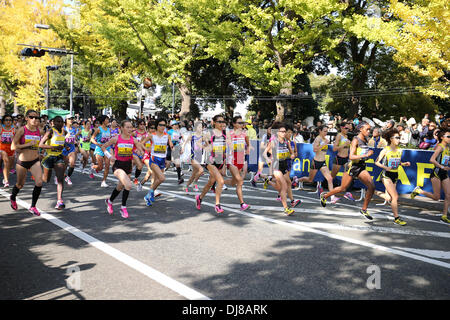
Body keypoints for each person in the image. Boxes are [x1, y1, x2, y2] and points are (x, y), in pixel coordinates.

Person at [320, 121, 376, 220]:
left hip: (361, 167)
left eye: (369, 129)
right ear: (360, 129)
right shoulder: (355, 140)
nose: (368, 131)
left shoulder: (366, 139)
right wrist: (366, 155)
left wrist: (366, 156)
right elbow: (351, 156)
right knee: (342, 188)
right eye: (367, 129)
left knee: (371, 187)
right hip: (352, 166)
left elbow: (362, 155)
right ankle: (325, 196)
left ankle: (364, 209)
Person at [102, 120, 146, 218]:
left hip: (128, 166)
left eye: (131, 127)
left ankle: (109, 201)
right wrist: (110, 156)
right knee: (128, 185)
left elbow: (139, 149)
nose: (130, 129)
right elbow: (103, 147)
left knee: (120, 186)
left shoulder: (133, 140)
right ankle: (123, 207)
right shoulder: (116, 139)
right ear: (121, 128)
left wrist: (140, 152)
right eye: (128, 127)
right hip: (118, 165)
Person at [410, 128, 450, 224]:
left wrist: (446, 165)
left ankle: (444, 216)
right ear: (442, 137)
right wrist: (441, 166)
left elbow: (445, 159)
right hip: (436, 173)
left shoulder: (448, 148)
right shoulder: (440, 147)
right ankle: (419, 191)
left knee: (448, 195)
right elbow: (432, 159)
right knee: (436, 197)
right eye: (448, 136)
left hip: (444, 173)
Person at [263, 122, 301, 215]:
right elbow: (264, 153)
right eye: (282, 131)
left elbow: (291, 153)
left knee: (283, 186)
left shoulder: (286, 142)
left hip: (284, 165)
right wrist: (269, 161)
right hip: (276, 166)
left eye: (285, 131)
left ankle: (267, 179)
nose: (284, 133)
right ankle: (286, 208)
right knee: (284, 186)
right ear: (277, 132)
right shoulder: (273, 142)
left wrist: (292, 155)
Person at [10, 110, 43, 216]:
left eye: (36, 118)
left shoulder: (39, 131)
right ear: (26, 118)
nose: (34, 119)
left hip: (35, 160)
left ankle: (33, 206)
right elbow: (13, 146)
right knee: (20, 184)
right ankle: (13, 197)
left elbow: (42, 143)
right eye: (31, 117)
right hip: (22, 161)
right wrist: (27, 145)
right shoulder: (22, 130)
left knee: (39, 182)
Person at [374, 129, 409, 226]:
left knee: (389, 198)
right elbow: (376, 162)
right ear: (391, 139)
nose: (399, 139)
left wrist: (403, 164)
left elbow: (397, 163)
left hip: (395, 174)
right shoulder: (386, 149)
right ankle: (396, 218)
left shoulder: (400, 150)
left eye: (399, 137)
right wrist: (385, 167)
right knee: (395, 197)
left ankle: (373, 191)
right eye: (397, 138)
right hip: (386, 175)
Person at [195, 115, 228, 213]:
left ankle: (199, 198)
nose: (221, 123)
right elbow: (198, 143)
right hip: (211, 161)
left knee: (210, 183)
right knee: (221, 182)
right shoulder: (210, 133)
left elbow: (225, 151)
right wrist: (207, 147)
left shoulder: (225, 134)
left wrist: (224, 165)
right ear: (213, 122)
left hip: (220, 161)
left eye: (223, 121)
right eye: (219, 121)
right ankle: (217, 205)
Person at [299, 125, 338, 203]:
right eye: (324, 131)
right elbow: (314, 149)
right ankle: (297, 180)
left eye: (327, 131)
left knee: (330, 179)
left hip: (323, 162)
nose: (326, 133)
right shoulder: (318, 139)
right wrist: (323, 144)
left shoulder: (325, 139)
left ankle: (332, 197)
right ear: (320, 131)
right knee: (310, 180)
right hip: (316, 162)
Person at [143, 118, 173, 207]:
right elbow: (141, 143)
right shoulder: (152, 135)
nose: (162, 127)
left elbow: (171, 146)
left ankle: (150, 194)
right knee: (162, 178)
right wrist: (146, 149)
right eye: (160, 125)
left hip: (162, 160)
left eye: (164, 125)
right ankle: (148, 195)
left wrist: (174, 149)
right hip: (154, 159)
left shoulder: (167, 136)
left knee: (157, 180)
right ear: (157, 126)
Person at [39, 116, 67, 210]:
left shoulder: (64, 132)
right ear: (53, 123)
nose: (60, 123)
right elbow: (41, 144)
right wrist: (54, 147)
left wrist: (65, 146)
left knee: (60, 178)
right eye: (58, 122)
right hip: (49, 157)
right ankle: (38, 174)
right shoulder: (50, 131)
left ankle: (59, 200)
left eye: (61, 122)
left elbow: (62, 141)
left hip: (58, 157)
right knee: (46, 180)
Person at [223, 116, 250, 210]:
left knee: (233, 182)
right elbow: (228, 146)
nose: (241, 124)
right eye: (239, 123)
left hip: (240, 160)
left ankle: (218, 182)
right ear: (234, 124)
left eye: (242, 123)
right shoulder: (229, 133)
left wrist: (248, 149)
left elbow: (248, 144)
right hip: (232, 161)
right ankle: (242, 204)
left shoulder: (244, 133)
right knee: (240, 181)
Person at [330, 122, 355, 201]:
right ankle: (331, 195)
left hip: (346, 159)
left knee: (350, 173)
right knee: (332, 177)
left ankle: (347, 192)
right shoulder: (339, 136)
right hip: (339, 158)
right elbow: (334, 148)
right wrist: (344, 145)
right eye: (346, 128)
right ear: (341, 128)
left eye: (348, 128)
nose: (348, 130)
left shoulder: (346, 136)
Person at [182, 121, 205, 192]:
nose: (200, 128)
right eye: (199, 127)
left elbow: (206, 145)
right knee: (201, 170)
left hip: (199, 156)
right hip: (193, 156)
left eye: (202, 127)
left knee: (193, 174)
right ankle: (195, 183)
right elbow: (185, 142)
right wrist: (183, 148)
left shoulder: (203, 136)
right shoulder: (192, 135)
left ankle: (186, 186)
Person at [90, 115, 112, 187]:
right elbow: (92, 139)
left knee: (107, 166)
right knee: (100, 167)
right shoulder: (98, 129)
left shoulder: (109, 129)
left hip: (107, 149)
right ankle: (93, 166)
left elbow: (110, 139)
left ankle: (103, 181)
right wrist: (97, 144)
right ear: (103, 121)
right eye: (107, 119)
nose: (108, 121)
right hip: (99, 149)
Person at [63, 116, 80, 186]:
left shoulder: (74, 129)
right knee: (64, 165)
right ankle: (60, 176)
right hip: (64, 149)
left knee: (72, 163)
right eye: (69, 119)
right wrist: (65, 137)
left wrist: (76, 141)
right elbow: (58, 139)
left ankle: (68, 177)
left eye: (72, 119)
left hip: (72, 149)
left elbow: (75, 138)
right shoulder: (62, 129)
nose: (71, 120)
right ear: (66, 120)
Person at [167, 120, 184, 184]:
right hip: (170, 147)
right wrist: (170, 144)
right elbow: (168, 139)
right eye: (176, 124)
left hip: (176, 147)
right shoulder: (169, 132)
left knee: (177, 163)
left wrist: (181, 148)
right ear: (172, 125)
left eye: (177, 124)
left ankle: (179, 177)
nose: (177, 125)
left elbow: (179, 141)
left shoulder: (178, 132)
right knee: (168, 163)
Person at [0, 114, 15, 188]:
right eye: (6, 120)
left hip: (11, 149)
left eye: (10, 120)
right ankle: (6, 181)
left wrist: (14, 139)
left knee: (8, 165)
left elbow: (17, 139)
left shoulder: (14, 129)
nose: (8, 121)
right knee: (6, 161)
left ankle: (5, 178)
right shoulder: (0, 128)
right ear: (3, 121)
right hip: (2, 148)